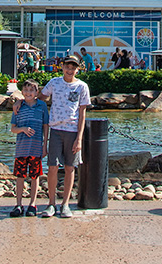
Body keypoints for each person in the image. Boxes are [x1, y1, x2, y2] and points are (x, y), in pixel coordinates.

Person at [37, 55, 91, 218]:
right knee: (52, 167)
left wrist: (79, 138)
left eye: (73, 67)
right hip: (56, 129)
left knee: (70, 167)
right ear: (62, 67)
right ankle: (51, 203)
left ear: (77, 69)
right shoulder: (54, 83)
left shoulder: (82, 87)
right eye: (67, 66)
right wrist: (21, 103)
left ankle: (65, 204)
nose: (70, 70)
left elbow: (82, 113)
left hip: (72, 131)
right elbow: (40, 99)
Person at [9, 79, 49, 217]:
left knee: (35, 176)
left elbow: (46, 125)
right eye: (26, 90)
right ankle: (18, 204)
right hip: (21, 148)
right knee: (20, 177)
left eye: (31, 90)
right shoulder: (19, 107)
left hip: (36, 148)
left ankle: (32, 203)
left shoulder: (41, 106)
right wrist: (23, 129)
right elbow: (13, 129)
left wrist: (45, 145)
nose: (28, 93)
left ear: (36, 92)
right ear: (22, 92)